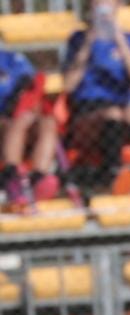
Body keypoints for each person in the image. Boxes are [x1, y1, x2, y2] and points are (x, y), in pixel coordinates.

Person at [61, 0, 130, 195]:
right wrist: (88, 44)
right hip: (88, 109)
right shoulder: (78, 39)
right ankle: (111, 173)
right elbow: (68, 84)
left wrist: (119, 38)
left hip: (122, 106)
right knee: (114, 113)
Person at [1, 47, 62, 211]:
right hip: (6, 121)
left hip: (14, 116)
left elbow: (30, 85)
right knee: (19, 121)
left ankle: (38, 178)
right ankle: (11, 176)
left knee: (47, 122)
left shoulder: (11, 56)